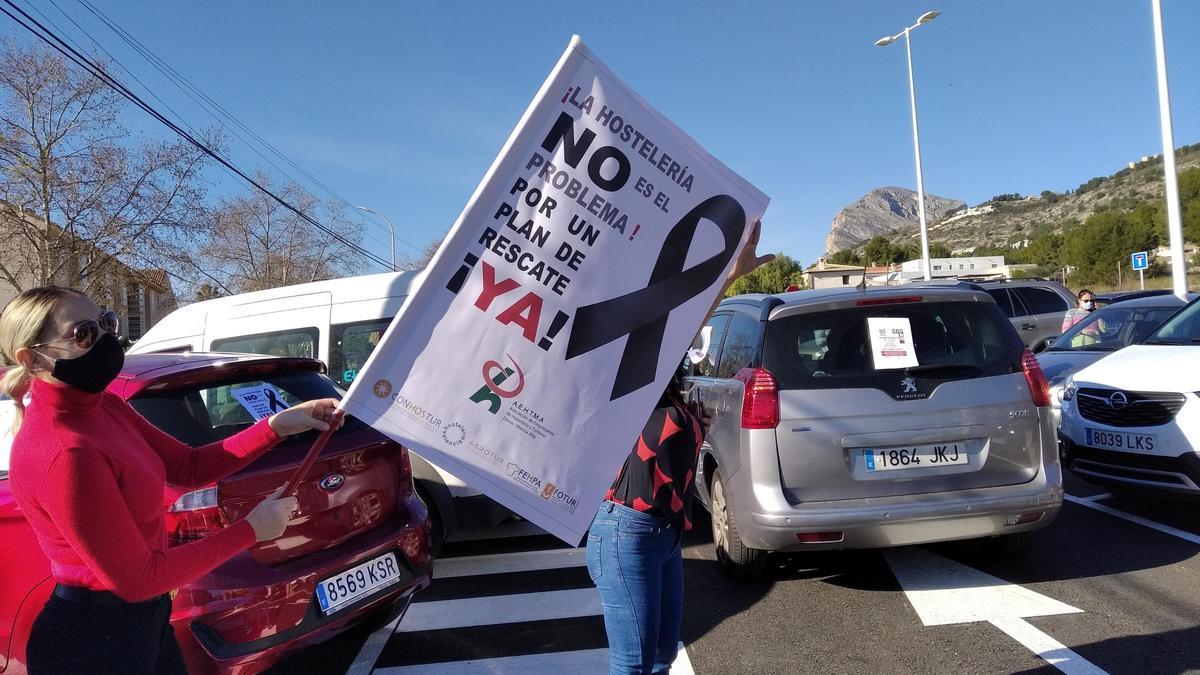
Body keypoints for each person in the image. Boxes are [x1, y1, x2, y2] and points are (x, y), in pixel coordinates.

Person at [0, 286, 345, 674]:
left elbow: (188, 466)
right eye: (83, 334)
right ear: (32, 359)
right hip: (93, 643)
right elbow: (137, 579)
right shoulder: (63, 449)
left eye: (106, 323)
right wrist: (252, 530)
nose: (107, 340)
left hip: (142, 624)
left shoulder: (106, 407)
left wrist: (278, 425)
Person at [586, 221, 772, 675]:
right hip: (626, 529)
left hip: (665, 532)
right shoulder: (617, 371)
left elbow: (683, 328)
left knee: (661, 659)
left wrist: (695, 424)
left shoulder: (663, 376)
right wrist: (728, 279)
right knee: (633, 665)